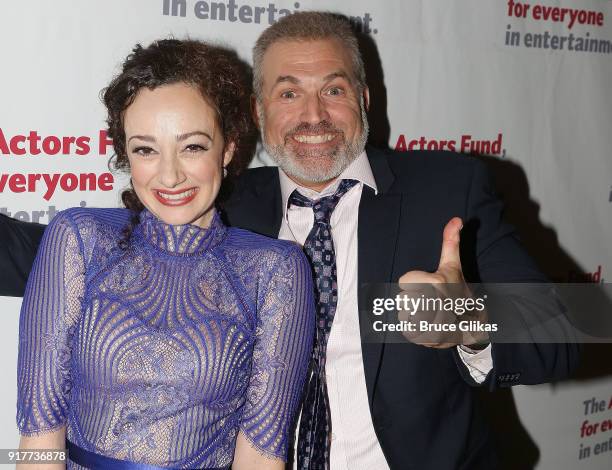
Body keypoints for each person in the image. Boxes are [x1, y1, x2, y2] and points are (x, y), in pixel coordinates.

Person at [0, 12, 579, 470]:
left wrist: (468, 320)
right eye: (287, 92)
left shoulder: (447, 190)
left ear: (364, 101)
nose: (312, 115)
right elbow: (58, 253)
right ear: (255, 112)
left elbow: (564, 332)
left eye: (332, 89)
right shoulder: (211, 197)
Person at [14, 39, 314, 470]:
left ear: (227, 148)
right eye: (145, 149)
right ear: (125, 154)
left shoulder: (275, 269)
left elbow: (261, 456)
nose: (170, 175)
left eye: (192, 146)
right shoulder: (78, 239)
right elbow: (39, 438)